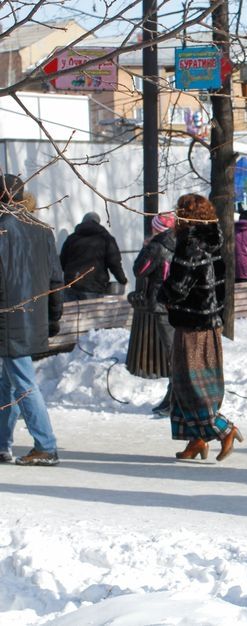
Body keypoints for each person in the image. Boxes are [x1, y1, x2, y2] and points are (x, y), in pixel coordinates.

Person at [161, 193, 243, 462]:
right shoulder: (212, 241)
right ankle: (196, 440)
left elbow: (178, 288)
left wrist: (160, 294)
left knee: (190, 387)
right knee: (188, 386)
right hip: (208, 324)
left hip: (193, 325)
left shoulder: (191, 245)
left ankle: (224, 429)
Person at [0, 174, 64, 466]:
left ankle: (45, 444)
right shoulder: (42, 229)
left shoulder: (2, 230)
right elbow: (55, 279)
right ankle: (2, 443)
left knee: (22, 383)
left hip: (9, 319)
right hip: (31, 318)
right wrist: (53, 318)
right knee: (9, 383)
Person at [131, 212, 177, 415]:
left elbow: (139, 270)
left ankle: (175, 398)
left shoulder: (157, 246)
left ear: (156, 227)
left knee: (172, 353)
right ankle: (173, 396)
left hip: (162, 305)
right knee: (175, 352)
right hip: (176, 303)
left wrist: (145, 248)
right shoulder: (179, 243)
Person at [59, 211, 128, 300]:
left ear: (83, 222)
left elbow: (62, 262)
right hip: (94, 287)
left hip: (72, 286)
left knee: (71, 313)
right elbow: (114, 263)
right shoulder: (106, 239)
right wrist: (122, 280)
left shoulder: (71, 239)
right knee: (91, 313)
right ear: (97, 222)